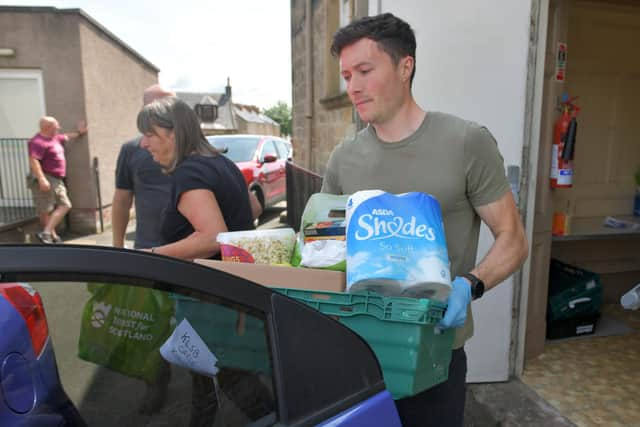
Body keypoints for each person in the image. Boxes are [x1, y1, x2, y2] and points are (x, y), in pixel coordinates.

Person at [322, 13, 529, 427]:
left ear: (405, 67)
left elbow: (513, 238)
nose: (353, 88)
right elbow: (323, 247)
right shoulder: (343, 159)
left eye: (364, 70)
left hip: (433, 353)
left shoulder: (466, 142)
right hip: (356, 349)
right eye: (346, 76)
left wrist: (469, 285)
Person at [137, 97, 270, 424]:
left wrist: (147, 258)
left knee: (234, 378)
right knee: (207, 373)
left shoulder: (190, 172)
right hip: (229, 294)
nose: (144, 143)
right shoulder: (222, 164)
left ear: (173, 133)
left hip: (210, 301)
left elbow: (212, 236)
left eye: (150, 134)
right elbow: (253, 210)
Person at [112, 84, 175, 250]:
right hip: (147, 249)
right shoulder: (132, 150)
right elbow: (121, 200)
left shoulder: (194, 149)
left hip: (192, 250)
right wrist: (117, 247)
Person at [28, 116, 87, 244]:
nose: (59, 128)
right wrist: (42, 179)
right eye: (56, 126)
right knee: (46, 209)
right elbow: (34, 160)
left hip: (56, 179)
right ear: (47, 128)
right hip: (46, 177)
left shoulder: (55, 138)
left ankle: (47, 234)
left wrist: (79, 133)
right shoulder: (37, 142)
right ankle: (51, 236)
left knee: (64, 205)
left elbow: (66, 136)